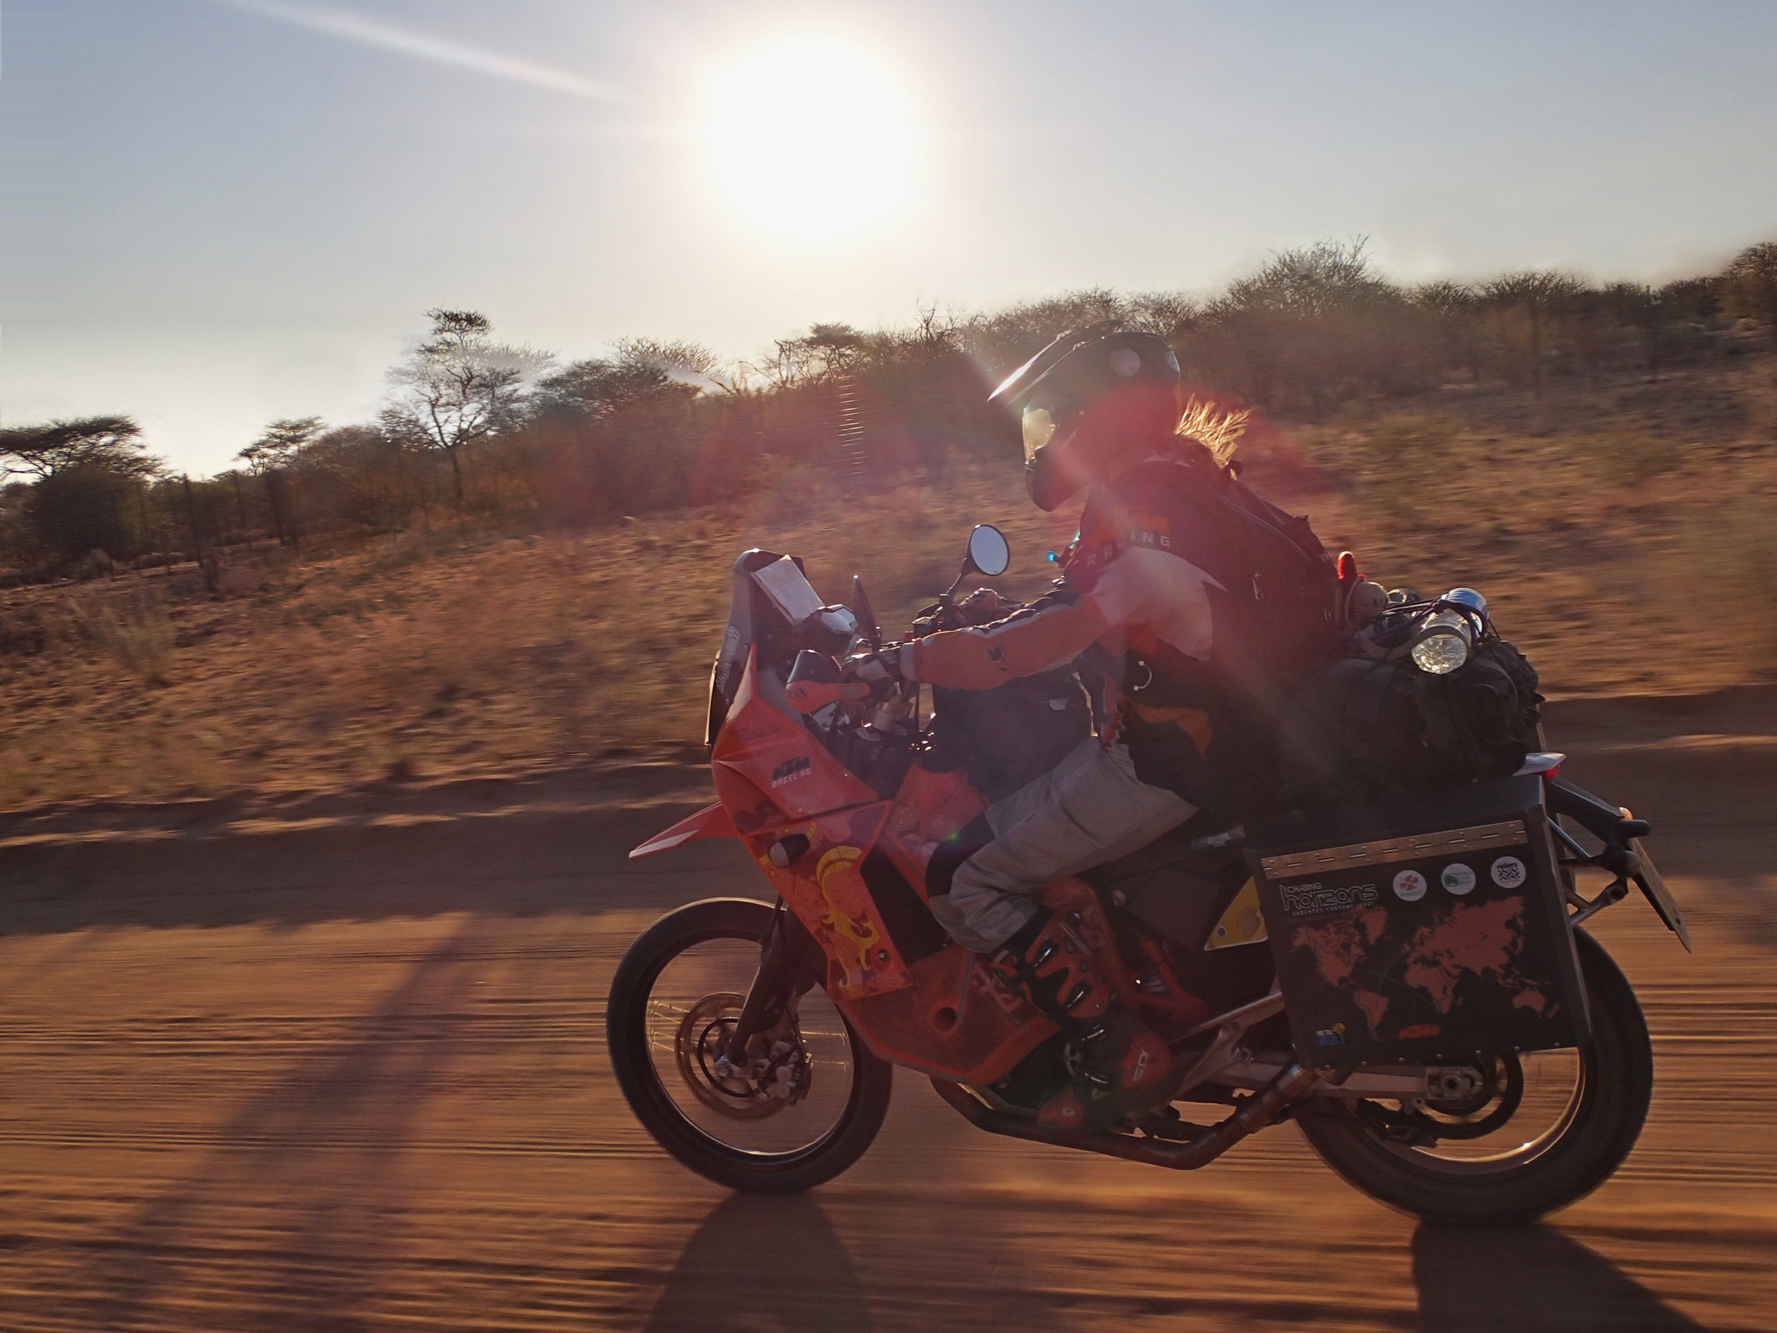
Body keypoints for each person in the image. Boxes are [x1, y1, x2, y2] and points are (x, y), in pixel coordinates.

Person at [849, 327, 1342, 1137]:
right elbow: (1096, 609)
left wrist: (895, 665)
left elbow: (1038, 642)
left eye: (1053, 420)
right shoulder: (1192, 481)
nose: (1044, 441)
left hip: (1179, 760)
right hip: (1247, 735)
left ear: (1096, 419)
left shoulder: (1136, 513)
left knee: (961, 876)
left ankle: (1111, 1046)